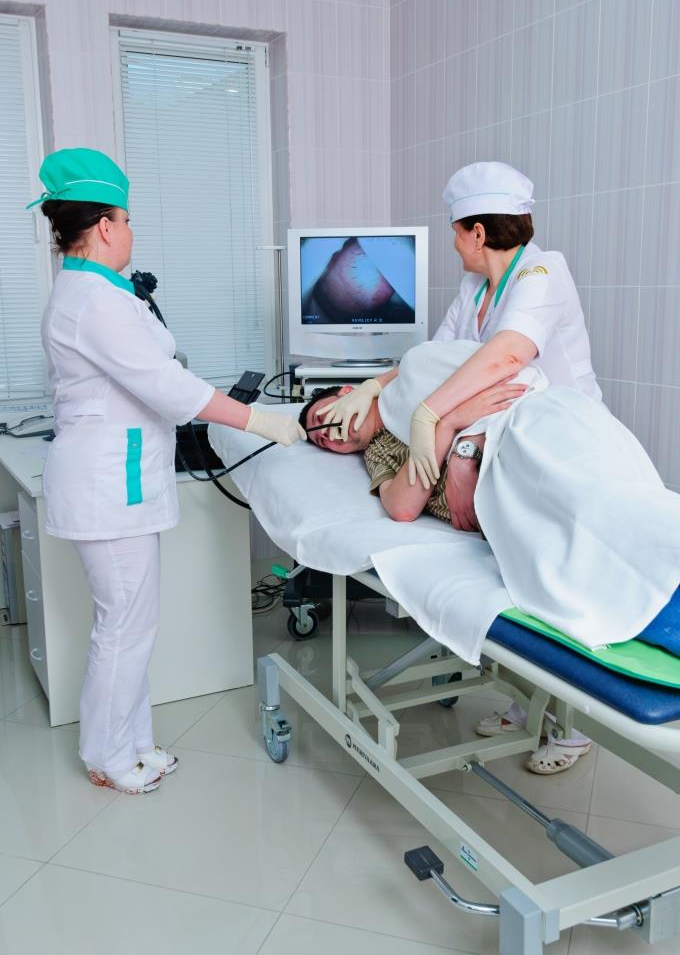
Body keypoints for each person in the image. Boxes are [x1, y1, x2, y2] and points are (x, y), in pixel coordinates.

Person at [30, 148, 306, 794]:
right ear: (105, 226)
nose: (132, 232)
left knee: (133, 622)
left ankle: (133, 743)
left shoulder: (99, 291)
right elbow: (167, 385)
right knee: (122, 625)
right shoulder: (91, 301)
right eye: (127, 221)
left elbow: (158, 369)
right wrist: (260, 420)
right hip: (106, 486)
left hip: (117, 479)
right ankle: (107, 755)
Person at [317, 161, 600, 771]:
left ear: (477, 232)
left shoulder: (543, 272)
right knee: (522, 580)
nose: (452, 243)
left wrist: (430, 417)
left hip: (562, 448)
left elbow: (506, 356)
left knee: (555, 582)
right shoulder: (476, 287)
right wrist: (374, 385)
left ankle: (571, 729)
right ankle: (530, 710)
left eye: (455, 231)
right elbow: (431, 357)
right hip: (500, 446)